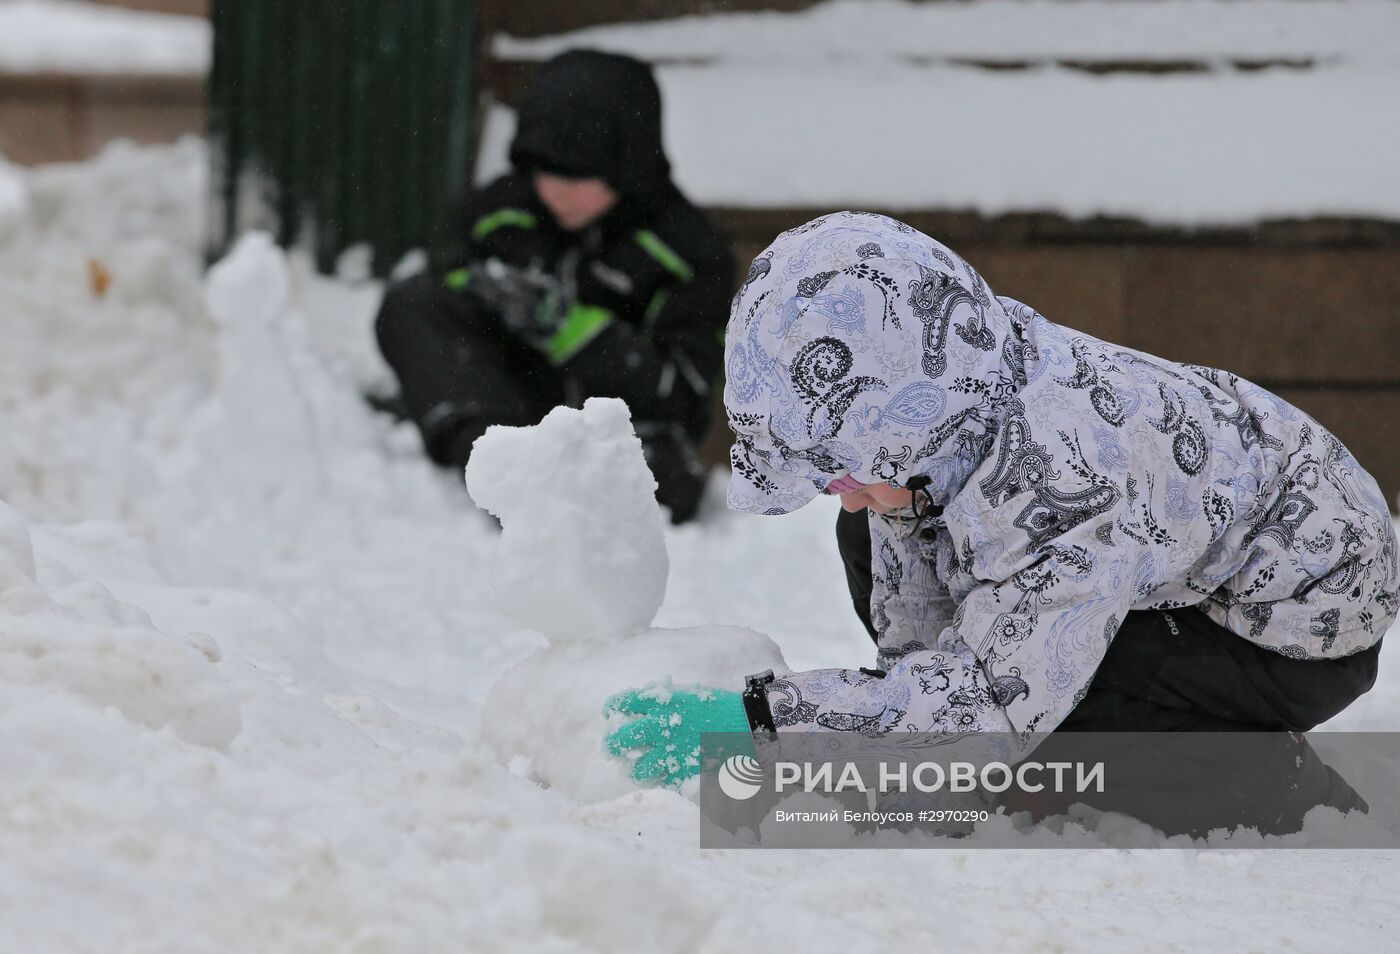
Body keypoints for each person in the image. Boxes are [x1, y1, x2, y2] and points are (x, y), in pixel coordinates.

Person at [604, 212, 1396, 832]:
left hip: (1296, 620)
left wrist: (770, 728)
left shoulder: (1062, 490)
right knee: (873, 534)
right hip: (1159, 560)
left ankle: (1268, 786)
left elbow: (995, 700)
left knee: (1075, 712)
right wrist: (905, 747)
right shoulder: (952, 385)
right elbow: (932, 631)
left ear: (902, 421)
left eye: (844, 471)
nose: (841, 493)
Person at [374, 49, 735, 523]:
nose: (558, 191)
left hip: (622, 434)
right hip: (512, 417)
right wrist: (489, 289)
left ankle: (574, 499)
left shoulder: (689, 254)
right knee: (410, 302)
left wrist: (569, 328)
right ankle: (495, 468)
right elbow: (444, 291)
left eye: (579, 175)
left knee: (655, 485)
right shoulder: (504, 211)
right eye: (545, 171)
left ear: (630, 165)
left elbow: (682, 393)